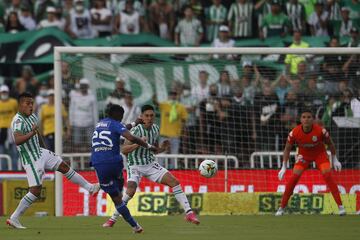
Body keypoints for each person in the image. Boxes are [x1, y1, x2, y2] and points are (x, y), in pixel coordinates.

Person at [6, 92, 100, 229]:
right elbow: (18, 140)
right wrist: (32, 133)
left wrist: (46, 151)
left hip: (40, 152)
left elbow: (37, 135)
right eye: (27, 103)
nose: (31, 106)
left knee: (63, 166)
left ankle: (90, 188)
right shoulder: (18, 121)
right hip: (31, 158)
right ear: (20, 105)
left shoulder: (32, 117)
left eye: (32, 103)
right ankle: (14, 218)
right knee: (36, 190)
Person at [102, 105, 199, 227]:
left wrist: (163, 148)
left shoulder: (155, 129)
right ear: (141, 117)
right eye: (146, 115)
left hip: (150, 164)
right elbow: (124, 150)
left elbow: (153, 150)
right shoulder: (136, 130)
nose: (149, 118)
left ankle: (189, 213)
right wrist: (139, 143)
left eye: (152, 115)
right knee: (130, 192)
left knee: (174, 182)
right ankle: (112, 219)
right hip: (135, 165)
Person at [91, 104, 156, 233]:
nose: (121, 118)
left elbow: (120, 129)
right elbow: (130, 137)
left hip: (97, 163)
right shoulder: (115, 123)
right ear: (117, 115)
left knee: (117, 199)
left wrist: (133, 123)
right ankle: (134, 225)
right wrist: (147, 145)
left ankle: (135, 226)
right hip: (114, 162)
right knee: (119, 194)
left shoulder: (101, 123)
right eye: (121, 116)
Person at [276, 109, 345, 216]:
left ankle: (341, 207)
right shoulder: (294, 132)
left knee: (327, 175)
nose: (306, 119)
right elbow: (287, 149)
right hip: (304, 156)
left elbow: (330, 144)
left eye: (309, 117)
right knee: (294, 177)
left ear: (312, 119)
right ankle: (281, 208)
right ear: (300, 120)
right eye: (304, 117)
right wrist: (284, 167)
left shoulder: (320, 131)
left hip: (320, 155)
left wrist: (335, 159)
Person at [0, 85, 18, 170]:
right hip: (1, 129)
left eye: (5, 92)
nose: (4, 94)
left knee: (14, 150)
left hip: (12, 129)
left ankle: (14, 170)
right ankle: (3, 170)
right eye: (3, 92)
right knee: (2, 150)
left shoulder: (13, 102)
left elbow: (18, 114)